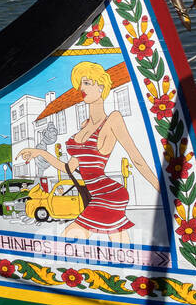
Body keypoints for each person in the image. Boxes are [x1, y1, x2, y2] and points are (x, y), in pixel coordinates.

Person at [15, 62, 161, 245]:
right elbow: (67, 167)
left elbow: (136, 158)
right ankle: (128, 261)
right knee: (117, 239)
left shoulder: (113, 119)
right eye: (80, 84)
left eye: (86, 83)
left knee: (70, 236)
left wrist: (161, 189)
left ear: (101, 87)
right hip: (97, 195)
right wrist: (39, 152)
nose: (81, 88)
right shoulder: (84, 127)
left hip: (109, 194)